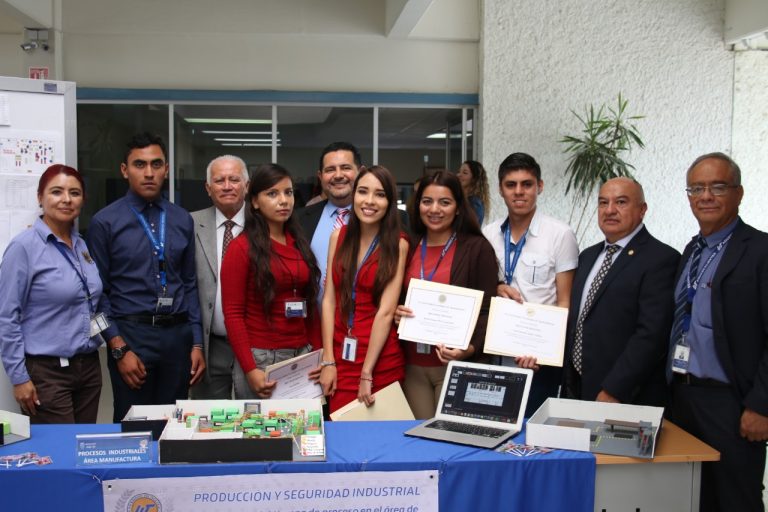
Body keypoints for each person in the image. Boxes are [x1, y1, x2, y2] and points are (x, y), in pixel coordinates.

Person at [666, 152, 768, 512]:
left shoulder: (760, 251)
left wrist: (761, 405)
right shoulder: (692, 250)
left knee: (736, 500)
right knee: (693, 499)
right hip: (683, 398)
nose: (706, 196)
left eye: (717, 187)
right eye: (696, 188)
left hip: (732, 405)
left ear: (739, 193)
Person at [87, 132, 205, 422]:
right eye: (139, 164)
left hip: (177, 337)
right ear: (125, 170)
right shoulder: (104, 222)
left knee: (175, 425)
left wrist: (196, 343)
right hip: (131, 336)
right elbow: (95, 297)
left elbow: (189, 284)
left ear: (166, 169)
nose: (149, 172)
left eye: (156, 164)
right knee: (133, 427)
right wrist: (117, 347)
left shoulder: (182, 219)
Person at [0, 165, 105, 423]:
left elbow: (90, 301)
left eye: (74, 193)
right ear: (40, 197)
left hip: (88, 368)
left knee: (84, 443)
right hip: (47, 372)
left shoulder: (81, 244)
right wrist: (19, 377)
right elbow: (7, 317)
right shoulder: (24, 247)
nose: (66, 199)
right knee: (59, 446)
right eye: (56, 192)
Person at [563, 177, 679, 406]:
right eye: (603, 202)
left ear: (642, 209)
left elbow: (651, 335)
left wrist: (615, 389)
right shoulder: (587, 256)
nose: (610, 210)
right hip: (577, 388)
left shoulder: (661, 259)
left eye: (621, 202)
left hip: (622, 397)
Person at [394, 171, 498, 419]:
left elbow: (489, 309)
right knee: (418, 436)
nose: (434, 209)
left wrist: (470, 349)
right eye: (427, 201)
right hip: (411, 366)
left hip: (454, 366)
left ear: (458, 207)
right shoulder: (408, 244)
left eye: (445, 202)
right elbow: (393, 294)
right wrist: (396, 311)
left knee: (450, 438)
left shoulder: (476, 248)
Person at [482, 152, 579, 415]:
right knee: (493, 424)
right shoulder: (488, 234)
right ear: (501, 189)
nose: (519, 192)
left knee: (531, 430)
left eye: (527, 184)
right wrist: (496, 287)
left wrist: (545, 351)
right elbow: (483, 286)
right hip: (496, 353)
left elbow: (565, 301)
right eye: (510, 185)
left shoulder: (560, 234)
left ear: (540, 186)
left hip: (538, 360)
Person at [221, 163, 321, 399]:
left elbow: (310, 306)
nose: (284, 201)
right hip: (262, 358)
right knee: (263, 424)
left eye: (288, 192)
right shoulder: (241, 247)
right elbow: (233, 314)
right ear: (255, 202)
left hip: (302, 355)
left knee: (302, 422)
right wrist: (250, 369)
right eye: (272, 194)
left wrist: (320, 354)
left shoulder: (299, 243)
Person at [318, 165, 409, 413]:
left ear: (390, 202)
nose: (369, 201)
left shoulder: (398, 245)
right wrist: (328, 360)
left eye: (380, 194)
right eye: (363, 191)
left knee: (381, 434)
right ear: (354, 195)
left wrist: (367, 373)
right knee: (341, 430)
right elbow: (329, 300)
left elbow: (386, 312)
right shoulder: (338, 237)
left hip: (380, 358)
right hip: (341, 354)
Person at [297, 141, 408, 302]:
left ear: (360, 172)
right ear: (320, 177)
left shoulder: (399, 219)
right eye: (330, 170)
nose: (338, 175)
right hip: (312, 316)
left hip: (371, 315)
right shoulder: (299, 220)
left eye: (345, 168)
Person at [189, 155, 249, 399]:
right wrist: (195, 344)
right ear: (208, 188)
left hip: (255, 346)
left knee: (254, 416)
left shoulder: (264, 223)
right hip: (210, 346)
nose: (227, 186)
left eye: (234, 179)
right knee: (209, 416)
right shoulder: (190, 223)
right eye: (219, 180)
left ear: (246, 185)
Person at [457, 160, 490, 226]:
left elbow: (468, 228)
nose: (458, 175)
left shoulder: (474, 202)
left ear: (474, 178)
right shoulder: (464, 199)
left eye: (465, 173)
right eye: (459, 172)